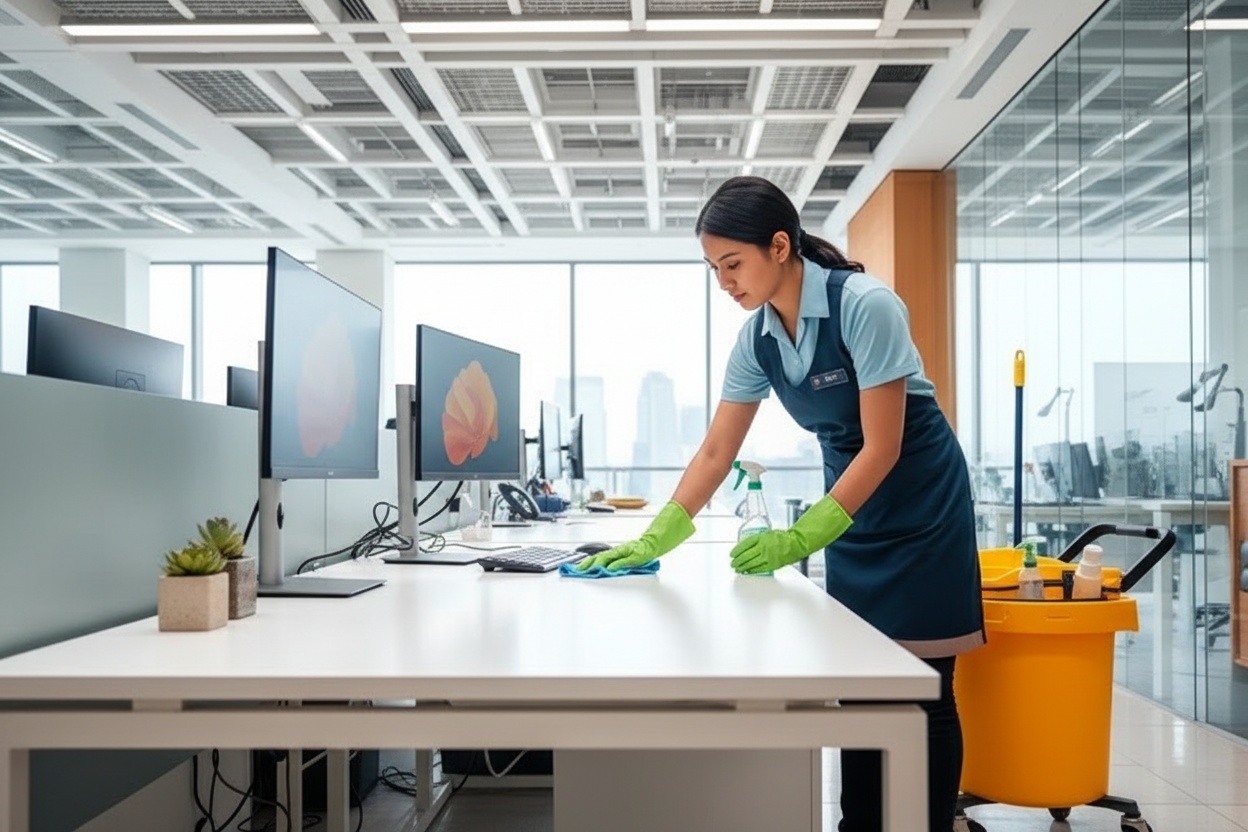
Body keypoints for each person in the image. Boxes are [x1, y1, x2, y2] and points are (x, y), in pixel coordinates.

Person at [576, 175, 984, 832]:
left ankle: (930, 824)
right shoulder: (759, 340)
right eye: (714, 269)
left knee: (924, 688)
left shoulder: (866, 306)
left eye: (732, 264)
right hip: (850, 506)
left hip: (918, 501)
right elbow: (715, 453)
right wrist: (656, 539)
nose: (725, 282)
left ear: (779, 246)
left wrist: (799, 540)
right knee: (857, 683)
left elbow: (882, 447)